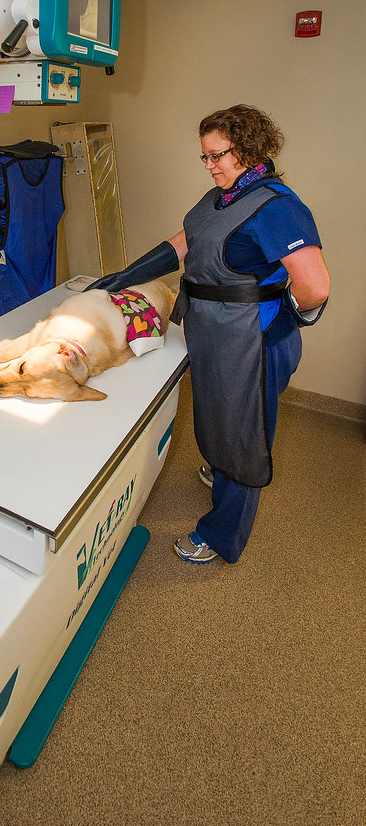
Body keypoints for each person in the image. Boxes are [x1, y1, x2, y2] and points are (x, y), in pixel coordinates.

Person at [86, 104, 330, 564]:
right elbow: (184, 243)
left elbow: (315, 286)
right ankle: (222, 472)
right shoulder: (223, 194)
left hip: (254, 341)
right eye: (205, 156)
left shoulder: (278, 208)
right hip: (216, 332)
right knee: (220, 414)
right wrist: (123, 276)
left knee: (243, 437)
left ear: (251, 150)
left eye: (218, 155)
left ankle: (221, 535)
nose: (210, 165)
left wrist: (278, 329)